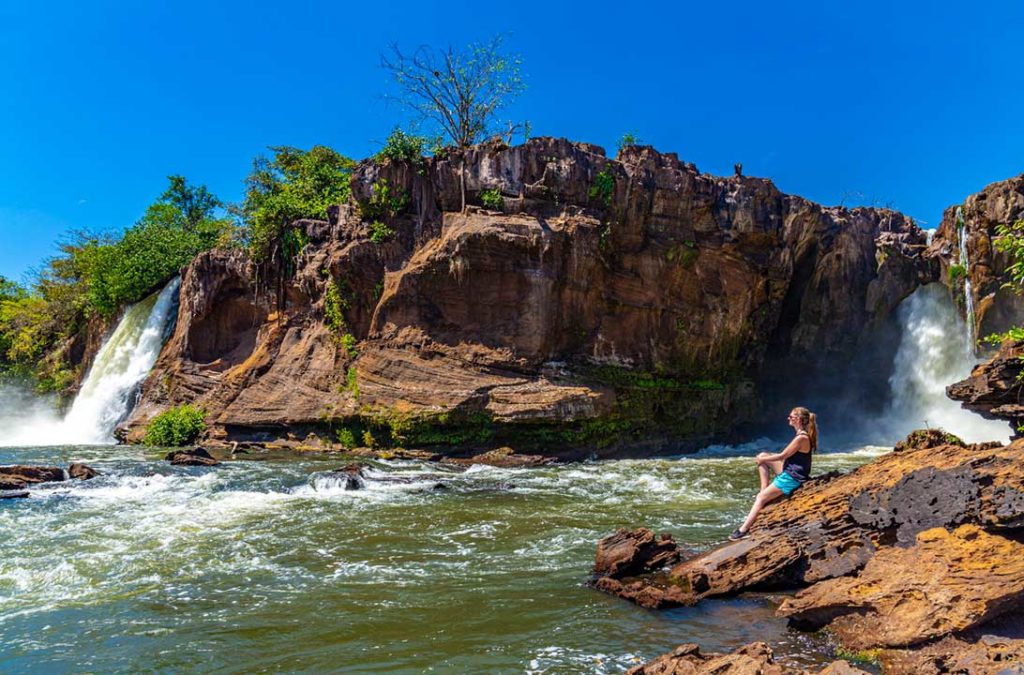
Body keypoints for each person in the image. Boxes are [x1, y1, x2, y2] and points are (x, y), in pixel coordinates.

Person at [729, 407, 817, 541]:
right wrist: (763, 458)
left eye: (791, 417)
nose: (788, 418)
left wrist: (762, 460)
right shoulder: (801, 435)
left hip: (793, 477)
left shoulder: (802, 437)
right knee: (763, 455)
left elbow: (783, 455)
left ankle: (743, 530)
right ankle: (764, 490)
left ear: (798, 419)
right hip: (790, 470)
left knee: (760, 497)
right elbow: (785, 458)